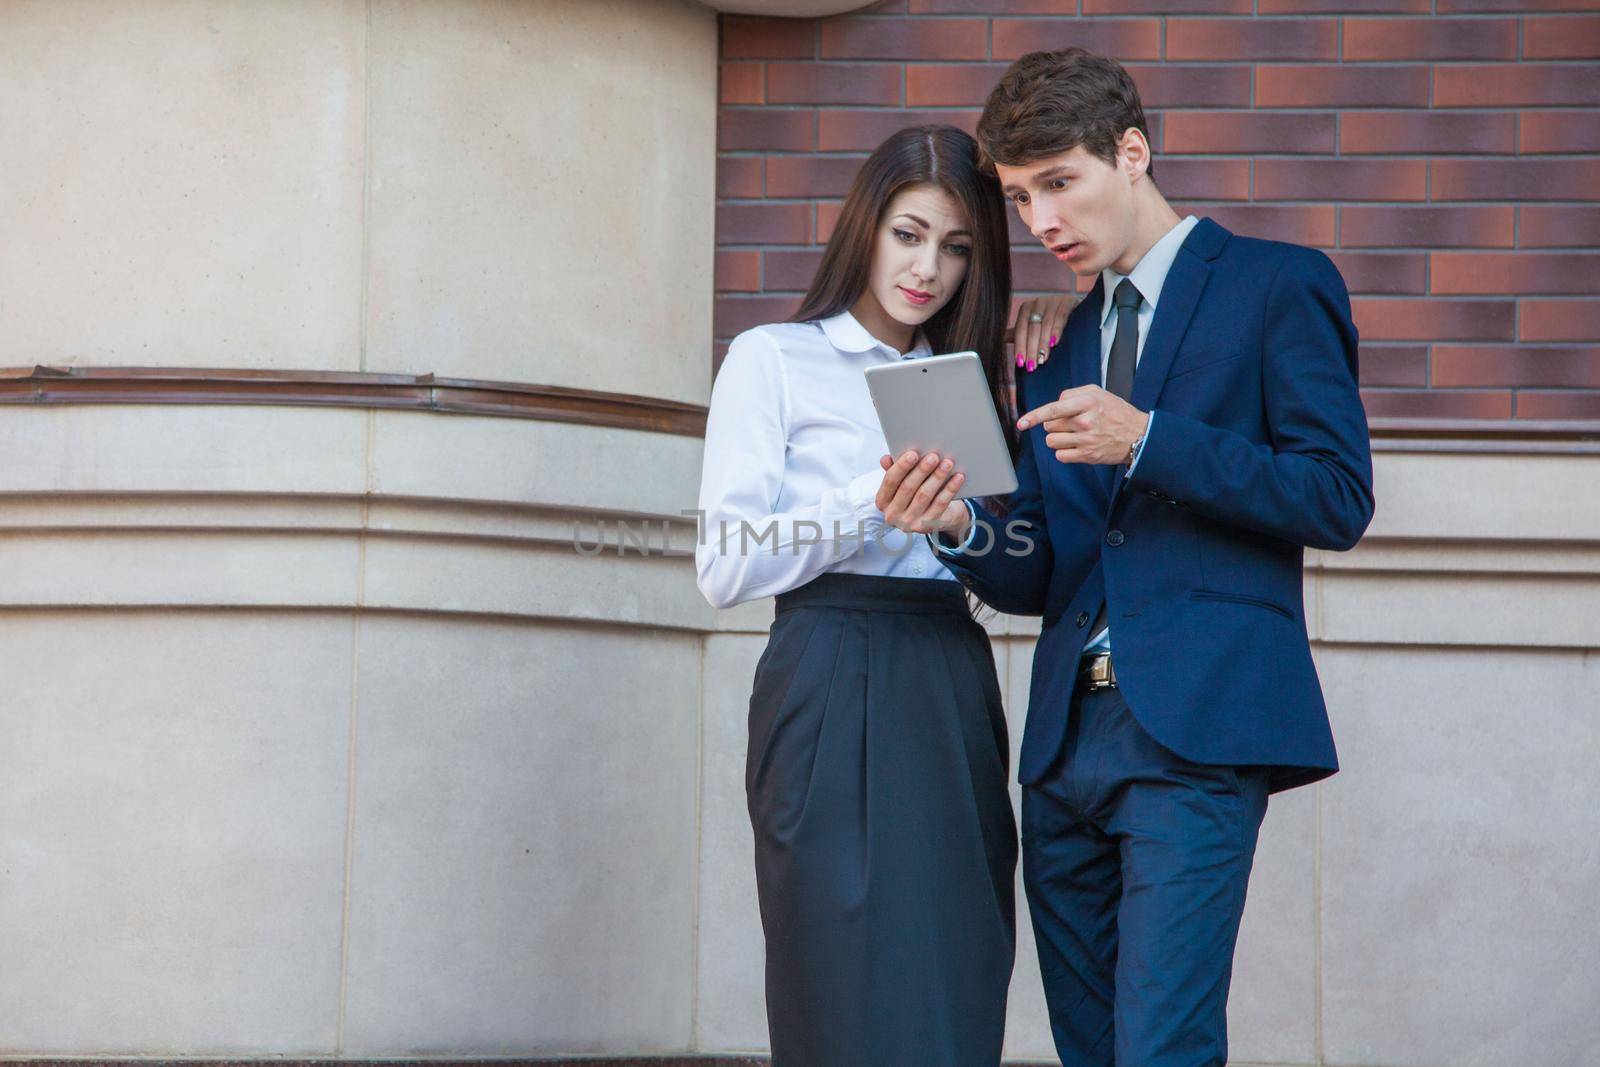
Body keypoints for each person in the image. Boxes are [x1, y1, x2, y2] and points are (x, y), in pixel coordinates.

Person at [881, 50, 1376, 1066]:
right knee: (1089, 1047)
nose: (1041, 220)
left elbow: (1335, 495)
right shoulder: (1058, 343)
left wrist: (1146, 438)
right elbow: (1045, 569)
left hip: (1195, 733)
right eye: (1020, 198)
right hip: (1065, 744)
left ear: (1133, 152)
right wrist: (957, 525)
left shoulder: (1276, 284)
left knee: (1161, 1047)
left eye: (1058, 182)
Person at [695, 125, 1036, 1066]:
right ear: (866, 228)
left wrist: (969, 519)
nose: (930, 267)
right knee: (836, 974)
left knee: (956, 970)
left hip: (947, 675)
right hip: (827, 669)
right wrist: (866, 505)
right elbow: (724, 565)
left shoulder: (965, 382)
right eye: (909, 234)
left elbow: (1017, 560)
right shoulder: (774, 358)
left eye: (958, 247)